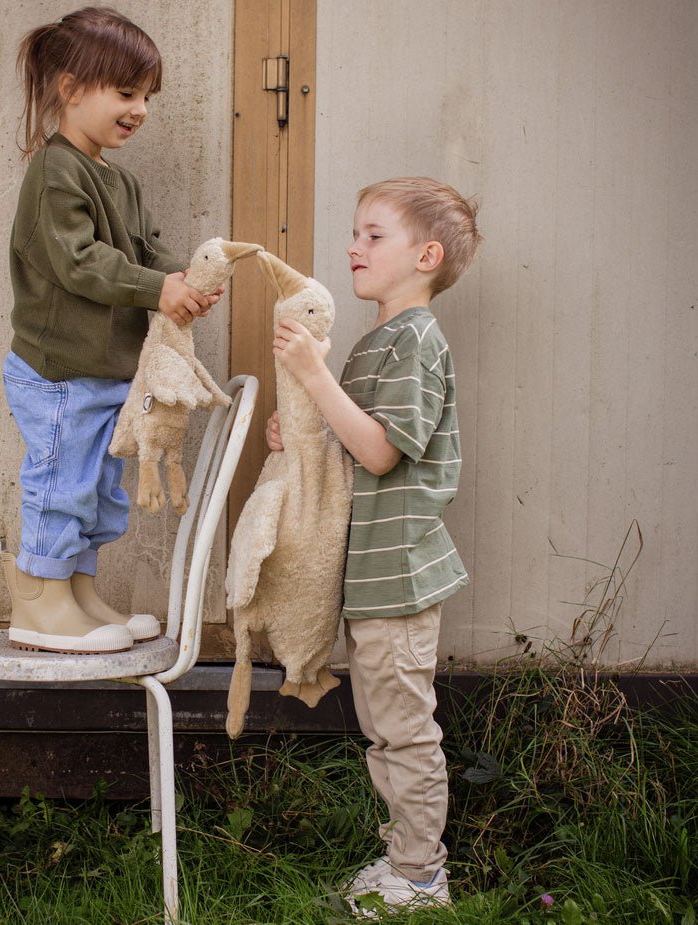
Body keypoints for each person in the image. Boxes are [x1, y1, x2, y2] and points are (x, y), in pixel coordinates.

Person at [266, 177, 481, 913]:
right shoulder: (378, 340)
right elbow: (349, 443)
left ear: (425, 255)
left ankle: (421, 875)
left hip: (398, 575)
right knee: (385, 731)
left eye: (372, 235)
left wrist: (312, 372)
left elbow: (383, 452)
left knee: (401, 732)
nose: (353, 247)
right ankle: (405, 859)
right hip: (373, 576)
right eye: (354, 233)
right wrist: (299, 428)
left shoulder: (416, 340)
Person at [2, 7, 219, 655]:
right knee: (60, 480)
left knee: (96, 490)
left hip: (100, 372)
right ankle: (38, 601)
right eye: (126, 93)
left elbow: (144, 252)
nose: (141, 109)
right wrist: (160, 290)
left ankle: (78, 593)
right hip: (59, 372)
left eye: (146, 96)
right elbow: (79, 262)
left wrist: (185, 275)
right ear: (70, 89)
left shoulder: (119, 180)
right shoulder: (54, 172)